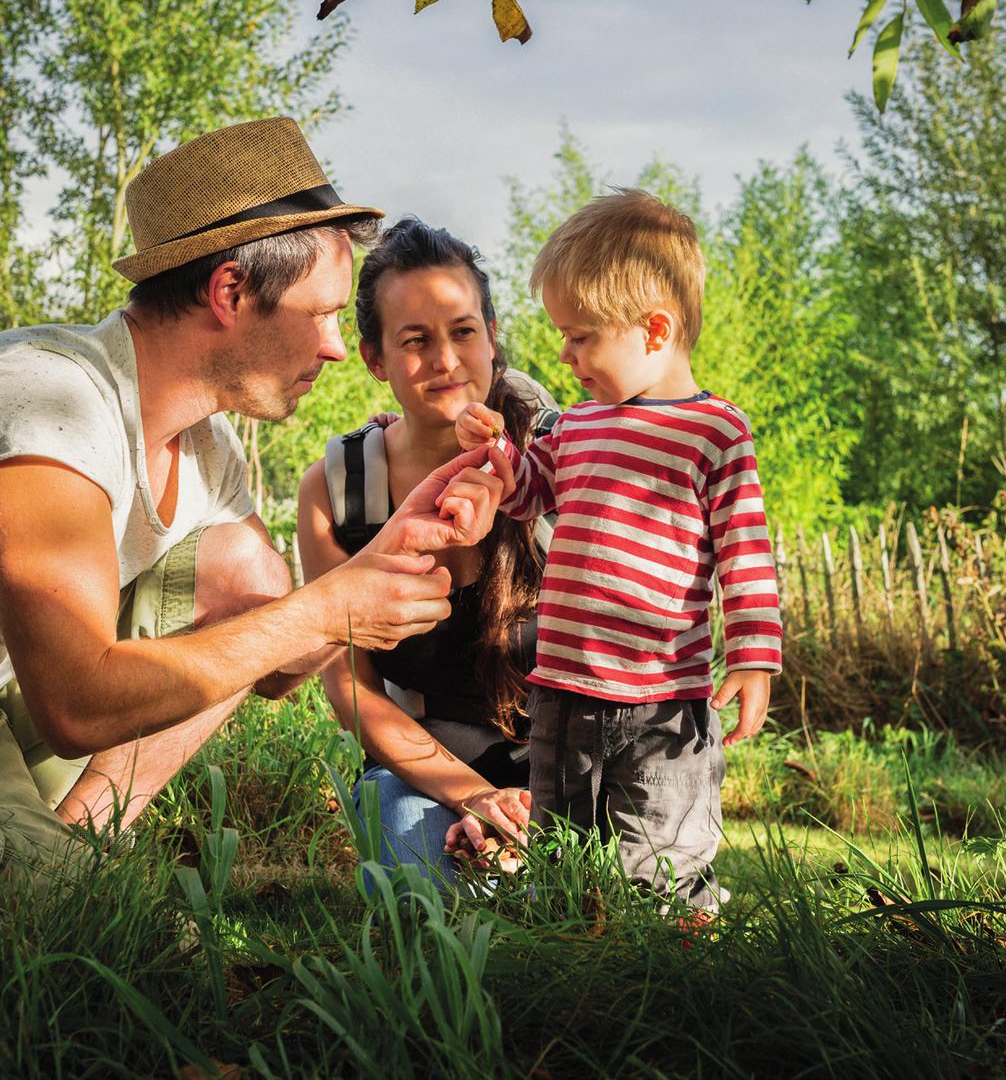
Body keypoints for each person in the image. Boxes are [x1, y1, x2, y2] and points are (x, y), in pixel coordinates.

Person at [0, 118, 506, 888]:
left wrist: (385, 555)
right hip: (49, 698)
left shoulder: (208, 451)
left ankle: (83, 847)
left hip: (20, 711)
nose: (340, 346)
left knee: (245, 573)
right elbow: (74, 702)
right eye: (325, 312)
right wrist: (324, 610)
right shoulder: (52, 396)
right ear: (230, 289)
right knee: (138, 957)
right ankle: (59, 880)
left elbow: (272, 659)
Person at [446, 189, 782, 913]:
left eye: (581, 336)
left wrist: (755, 653)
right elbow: (530, 491)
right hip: (564, 688)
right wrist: (501, 455)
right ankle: (571, 944)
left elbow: (744, 551)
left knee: (657, 851)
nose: (565, 356)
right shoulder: (578, 424)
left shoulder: (714, 431)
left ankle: (673, 946)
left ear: (654, 329)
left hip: (663, 698)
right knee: (563, 841)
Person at [298, 218, 558, 888]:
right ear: (375, 359)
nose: (445, 359)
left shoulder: (557, 460)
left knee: (590, 893)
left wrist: (526, 807)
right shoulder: (339, 491)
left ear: (493, 339)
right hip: (419, 773)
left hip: (565, 766)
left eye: (463, 331)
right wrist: (474, 797)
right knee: (431, 880)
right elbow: (350, 688)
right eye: (415, 340)